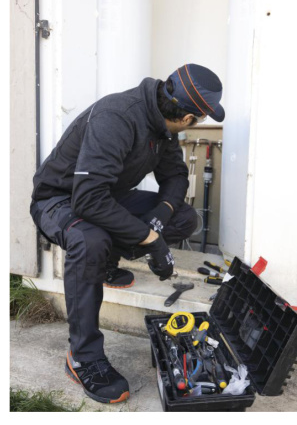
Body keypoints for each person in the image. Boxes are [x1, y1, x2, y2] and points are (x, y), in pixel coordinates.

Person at [30, 63, 225, 404]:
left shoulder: (163, 126)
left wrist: (160, 218)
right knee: (90, 240)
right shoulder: (117, 117)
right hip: (59, 199)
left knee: (183, 218)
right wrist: (151, 240)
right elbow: (87, 199)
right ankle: (83, 357)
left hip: (105, 196)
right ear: (188, 118)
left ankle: (106, 263)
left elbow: (176, 176)